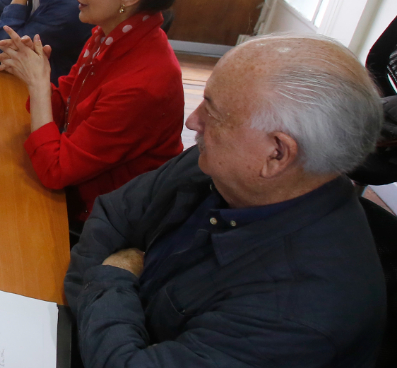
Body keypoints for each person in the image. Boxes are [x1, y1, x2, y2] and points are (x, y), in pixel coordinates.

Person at [66, 35, 386, 367]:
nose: (193, 121)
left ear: (276, 153)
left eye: (213, 111)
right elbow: (111, 214)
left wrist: (113, 273)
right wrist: (93, 317)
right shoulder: (217, 165)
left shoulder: (298, 310)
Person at [0, 0, 188, 223]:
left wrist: (40, 85)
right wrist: (33, 72)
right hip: (76, 189)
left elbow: (56, 171)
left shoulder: (145, 83)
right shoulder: (106, 35)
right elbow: (64, 112)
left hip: (103, 222)